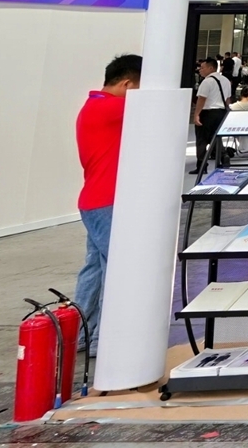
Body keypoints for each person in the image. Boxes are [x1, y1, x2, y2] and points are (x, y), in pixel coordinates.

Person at [75, 54, 140, 356]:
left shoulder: (93, 105)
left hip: (95, 201)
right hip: (108, 202)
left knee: (95, 270)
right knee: (117, 269)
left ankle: (81, 333)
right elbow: (161, 109)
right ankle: (102, 340)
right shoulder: (114, 108)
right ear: (127, 84)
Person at [192, 58, 233, 174]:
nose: (200, 70)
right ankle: (224, 156)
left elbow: (201, 99)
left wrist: (196, 114)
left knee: (201, 139)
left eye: (202, 68)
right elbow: (228, 99)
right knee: (215, 137)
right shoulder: (225, 80)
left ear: (211, 68)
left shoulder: (207, 81)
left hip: (207, 113)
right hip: (221, 112)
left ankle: (201, 165)